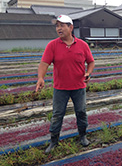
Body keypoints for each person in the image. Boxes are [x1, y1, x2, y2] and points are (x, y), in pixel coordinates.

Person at [36, 15, 95, 153]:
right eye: (57, 26)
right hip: (60, 88)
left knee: (81, 112)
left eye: (62, 25)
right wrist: (40, 78)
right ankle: (54, 141)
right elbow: (44, 63)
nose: (59, 28)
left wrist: (88, 73)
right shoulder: (53, 45)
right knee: (57, 114)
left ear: (71, 27)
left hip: (79, 87)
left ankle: (83, 136)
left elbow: (91, 61)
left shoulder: (82, 45)